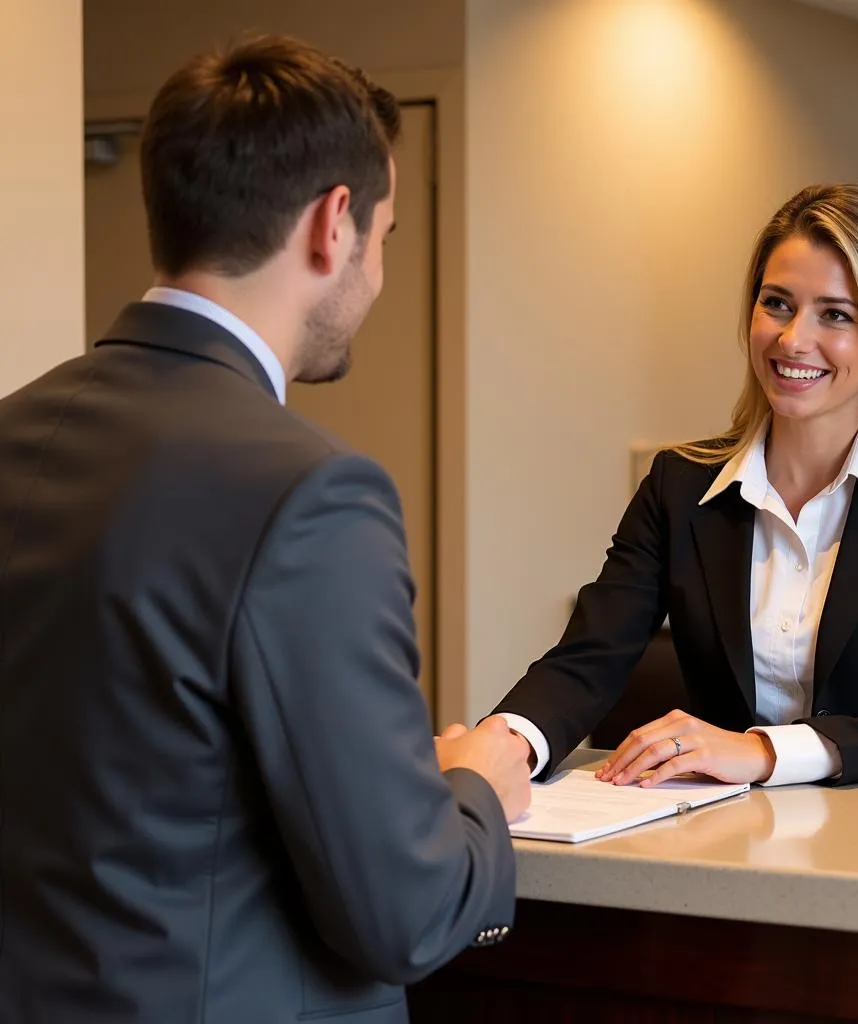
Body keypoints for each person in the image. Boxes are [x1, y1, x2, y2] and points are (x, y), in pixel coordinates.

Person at [0, 35, 529, 1024]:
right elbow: (402, 910)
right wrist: (475, 790)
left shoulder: (12, 432)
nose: (375, 275)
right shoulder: (314, 495)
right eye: (387, 236)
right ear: (336, 223)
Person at [495, 183, 858, 790]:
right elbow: (589, 657)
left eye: (836, 314)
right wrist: (503, 743)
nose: (793, 340)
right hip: (725, 839)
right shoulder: (679, 486)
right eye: (778, 304)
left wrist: (766, 752)